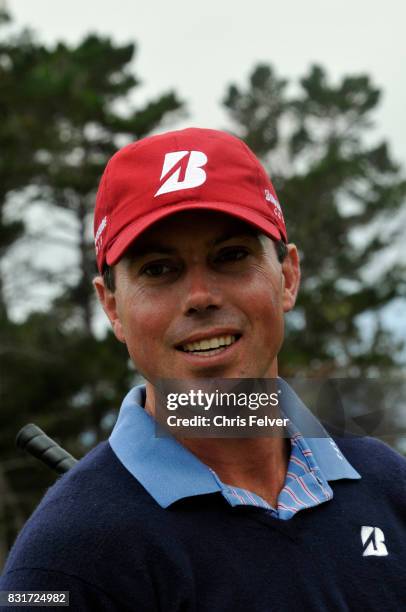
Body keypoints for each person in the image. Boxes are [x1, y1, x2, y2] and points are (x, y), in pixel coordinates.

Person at [0, 128, 405, 611]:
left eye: (230, 256)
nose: (200, 297)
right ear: (111, 306)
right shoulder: (62, 563)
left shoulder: (386, 483)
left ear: (288, 277)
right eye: (158, 269)